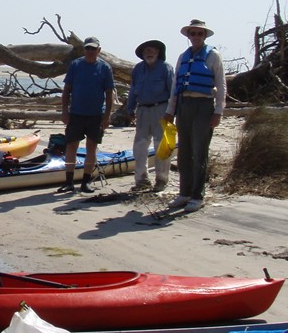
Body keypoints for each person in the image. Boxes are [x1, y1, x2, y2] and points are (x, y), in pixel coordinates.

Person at [163, 19, 227, 212]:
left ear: (205, 36)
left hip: (203, 105)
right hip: (184, 105)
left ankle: (197, 196)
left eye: (200, 33)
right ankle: (184, 193)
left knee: (199, 152)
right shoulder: (183, 56)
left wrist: (218, 112)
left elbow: (221, 85)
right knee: (183, 152)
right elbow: (176, 86)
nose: (196, 37)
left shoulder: (213, 56)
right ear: (189, 36)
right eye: (193, 33)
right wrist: (170, 111)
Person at [57, 37, 115, 194]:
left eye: (93, 49)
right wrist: (64, 111)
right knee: (71, 147)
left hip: (96, 114)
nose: (90, 51)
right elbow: (67, 89)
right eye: (87, 48)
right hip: (76, 113)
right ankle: (69, 182)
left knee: (91, 147)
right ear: (84, 49)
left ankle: (85, 182)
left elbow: (109, 93)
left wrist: (107, 116)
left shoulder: (105, 68)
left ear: (99, 50)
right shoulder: (76, 65)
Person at [126, 39, 174, 192]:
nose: (149, 53)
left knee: (163, 145)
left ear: (158, 52)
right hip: (142, 110)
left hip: (162, 109)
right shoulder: (138, 69)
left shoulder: (166, 68)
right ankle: (141, 180)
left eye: (152, 50)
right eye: (146, 51)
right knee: (140, 147)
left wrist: (171, 112)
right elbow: (133, 90)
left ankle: (161, 179)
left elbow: (174, 92)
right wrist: (129, 110)